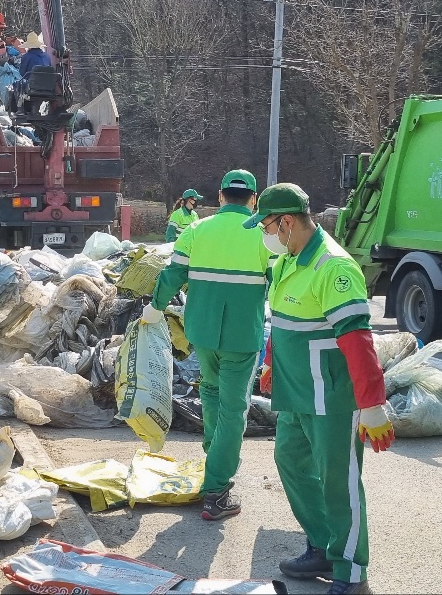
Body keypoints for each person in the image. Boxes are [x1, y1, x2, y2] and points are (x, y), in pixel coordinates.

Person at [243, 183, 395, 595]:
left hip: (332, 396)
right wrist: (272, 362)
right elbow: (284, 321)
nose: (265, 235)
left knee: (339, 482)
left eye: (267, 226)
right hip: (296, 392)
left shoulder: (334, 268)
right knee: (291, 461)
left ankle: (351, 571)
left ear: (287, 223)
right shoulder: (288, 261)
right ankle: (325, 545)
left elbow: (358, 341)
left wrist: (372, 404)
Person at [143, 169, 271, 521]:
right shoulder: (264, 235)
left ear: (219, 197)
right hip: (242, 338)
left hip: (202, 334)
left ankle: (212, 460)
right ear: (254, 199)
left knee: (211, 395)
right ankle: (216, 488)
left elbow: (172, 274)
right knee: (233, 409)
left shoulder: (197, 230)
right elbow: (278, 283)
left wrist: (155, 308)